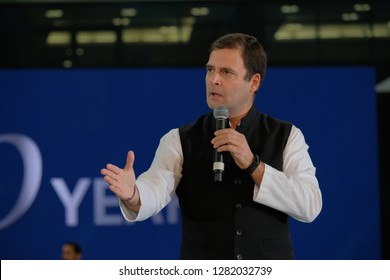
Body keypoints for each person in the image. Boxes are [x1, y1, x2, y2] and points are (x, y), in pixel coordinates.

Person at [100, 33, 322, 260]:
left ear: (253, 82)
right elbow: (156, 187)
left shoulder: (286, 135)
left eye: (226, 72)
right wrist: (133, 195)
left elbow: (310, 205)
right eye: (209, 70)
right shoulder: (179, 138)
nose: (213, 79)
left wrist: (254, 165)